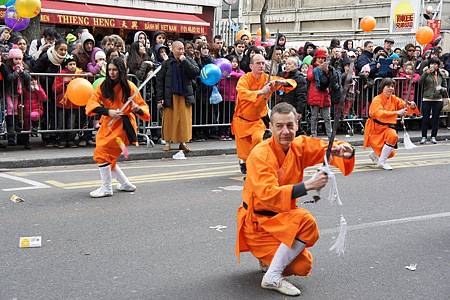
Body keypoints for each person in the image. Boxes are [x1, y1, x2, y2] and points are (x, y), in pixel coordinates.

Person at [236, 102, 355, 296]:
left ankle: (268, 261)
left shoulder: (299, 146)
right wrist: (308, 185)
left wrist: (345, 150)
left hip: (282, 218)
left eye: (290, 125)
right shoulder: (260, 154)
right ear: (270, 127)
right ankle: (272, 276)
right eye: (279, 126)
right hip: (259, 223)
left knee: (303, 266)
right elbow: (268, 194)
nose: (285, 131)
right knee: (306, 221)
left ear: (297, 125)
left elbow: (327, 148)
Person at [86, 57, 150, 198]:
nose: (112, 72)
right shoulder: (103, 86)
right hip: (108, 124)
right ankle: (125, 183)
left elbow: (144, 109)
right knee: (110, 157)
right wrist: (108, 111)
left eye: (115, 70)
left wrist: (136, 108)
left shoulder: (130, 87)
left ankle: (106, 188)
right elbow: (91, 104)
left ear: (121, 71)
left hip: (123, 127)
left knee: (102, 153)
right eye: (109, 69)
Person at [231, 54, 296, 175]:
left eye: (263, 63)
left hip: (256, 121)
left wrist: (281, 82)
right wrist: (261, 92)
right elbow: (242, 92)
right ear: (251, 66)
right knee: (244, 153)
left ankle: (257, 166)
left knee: (258, 140)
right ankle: (244, 162)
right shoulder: (245, 79)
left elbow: (292, 83)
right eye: (258, 63)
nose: (261, 65)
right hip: (242, 120)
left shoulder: (268, 79)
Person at [156, 41, 199, 152]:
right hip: (170, 95)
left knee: (183, 120)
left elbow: (195, 72)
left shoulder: (188, 60)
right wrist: (159, 98)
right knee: (169, 120)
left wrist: (185, 61)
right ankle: (167, 142)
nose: (181, 51)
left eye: (182, 49)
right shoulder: (166, 64)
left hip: (185, 95)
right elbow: (160, 81)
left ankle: (183, 142)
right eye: (179, 49)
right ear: (173, 50)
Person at [363, 78, 416, 170]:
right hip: (375, 128)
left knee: (393, 137)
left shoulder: (394, 98)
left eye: (392, 86)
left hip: (386, 127)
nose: (391, 88)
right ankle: (381, 161)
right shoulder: (377, 100)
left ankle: (376, 156)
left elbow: (403, 106)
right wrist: (397, 113)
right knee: (391, 138)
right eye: (388, 86)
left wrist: (411, 106)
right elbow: (379, 114)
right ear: (382, 88)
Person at [419, 57, 448, 144]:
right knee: (425, 119)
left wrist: (441, 88)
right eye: (432, 63)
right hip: (427, 98)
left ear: (438, 66)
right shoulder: (426, 73)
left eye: (435, 64)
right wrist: (425, 74)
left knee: (435, 119)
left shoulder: (441, 74)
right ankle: (424, 137)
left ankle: (433, 137)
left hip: (438, 99)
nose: (433, 65)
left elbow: (445, 87)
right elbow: (420, 82)